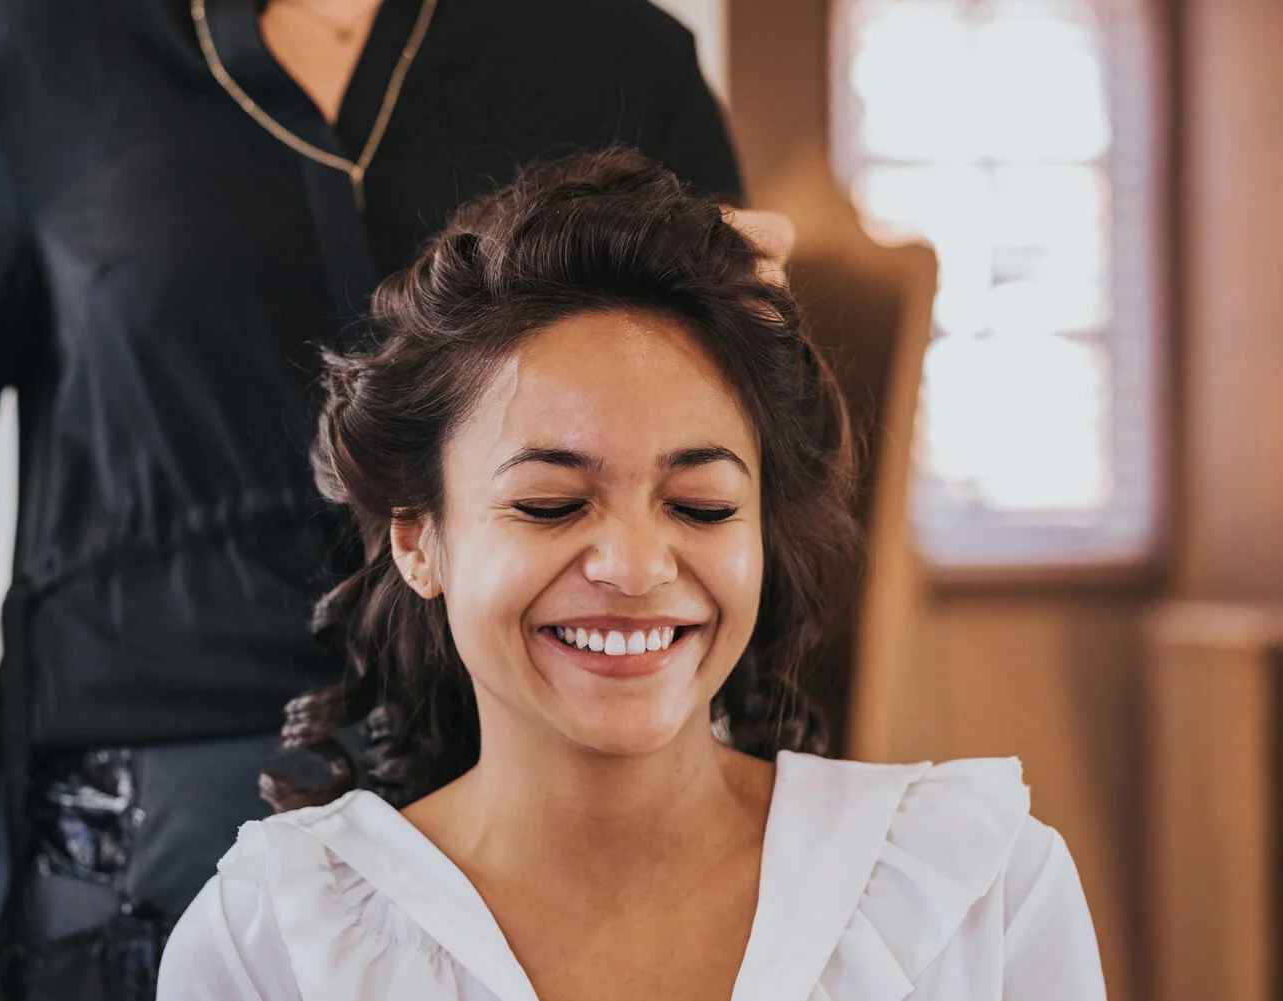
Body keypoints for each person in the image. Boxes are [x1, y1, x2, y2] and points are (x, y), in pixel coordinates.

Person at [0, 0, 793, 994]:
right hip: (128, 834)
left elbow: (707, 445)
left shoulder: (619, 54)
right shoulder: (43, 47)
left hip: (496, 809)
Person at [156, 148, 1108, 1001]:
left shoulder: (977, 898)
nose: (637, 566)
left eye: (701, 505)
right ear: (417, 538)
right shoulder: (272, 942)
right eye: (550, 503)